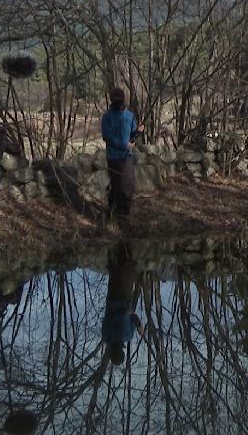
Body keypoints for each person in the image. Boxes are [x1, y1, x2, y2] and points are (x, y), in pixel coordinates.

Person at [101, 88, 141, 224]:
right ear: (112, 99)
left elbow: (133, 133)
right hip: (113, 157)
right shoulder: (107, 117)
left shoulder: (130, 116)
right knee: (116, 185)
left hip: (127, 157)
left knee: (129, 185)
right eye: (115, 97)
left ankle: (124, 213)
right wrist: (125, 145)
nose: (118, 100)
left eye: (120, 97)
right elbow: (107, 136)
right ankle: (113, 213)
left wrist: (138, 132)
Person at [102, 243, 142, 366]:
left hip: (117, 300)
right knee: (123, 273)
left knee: (121, 272)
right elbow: (133, 318)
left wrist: (126, 314)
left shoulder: (111, 336)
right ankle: (122, 247)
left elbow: (110, 318)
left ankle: (120, 246)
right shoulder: (125, 336)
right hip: (120, 299)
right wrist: (139, 326)